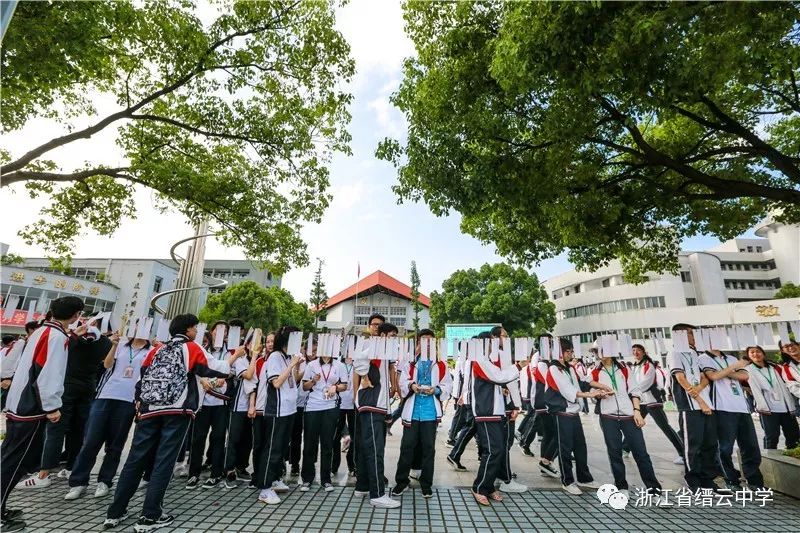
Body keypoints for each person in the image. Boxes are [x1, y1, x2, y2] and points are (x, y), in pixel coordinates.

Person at [104, 314, 244, 532]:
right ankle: (150, 515)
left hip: (149, 410)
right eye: (195, 328)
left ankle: (115, 512)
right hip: (176, 410)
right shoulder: (191, 348)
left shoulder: (157, 349)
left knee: (135, 459)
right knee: (164, 461)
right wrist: (235, 357)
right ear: (188, 329)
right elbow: (216, 368)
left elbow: (143, 376)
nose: (197, 332)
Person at [1, 296, 85, 533]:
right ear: (76, 314)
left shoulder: (42, 332)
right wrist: (52, 406)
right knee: (15, 461)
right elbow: (48, 373)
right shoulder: (56, 337)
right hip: (32, 407)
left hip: (21, 402)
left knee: (13, 458)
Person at [16, 313, 110, 489]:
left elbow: (63, 350)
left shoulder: (73, 339)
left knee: (56, 430)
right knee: (78, 429)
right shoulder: (106, 343)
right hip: (88, 388)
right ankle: (70, 467)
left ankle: (43, 474)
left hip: (66, 387)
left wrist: (75, 334)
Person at [65, 328, 151, 500]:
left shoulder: (150, 350)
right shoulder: (121, 345)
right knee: (90, 441)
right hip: (105, 395)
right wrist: (113, 345)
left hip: (129, 400)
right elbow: (107, 365)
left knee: (115, 444)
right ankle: (78, 482)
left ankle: (105, 480)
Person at [586, 346, 661, 498]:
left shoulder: (624, 368)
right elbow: (592, 394)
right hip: (608, 416)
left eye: (600, 350)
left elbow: (634, 390)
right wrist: (598, 395)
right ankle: (621, 486)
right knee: (614, 453)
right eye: (595, 352)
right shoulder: (594, 371)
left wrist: (637, 412)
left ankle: (654, 489)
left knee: (641, 453)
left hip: (628, 415)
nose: (597, 354)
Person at [392, 329, 451, 498]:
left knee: (428, 449)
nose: (426, 344)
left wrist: (436, 390)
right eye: (423, 340)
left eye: (430, 341)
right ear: (418, 342)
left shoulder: (441, 364)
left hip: (430, 412)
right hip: (412, 410)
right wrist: (411, 386)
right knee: (407, 447)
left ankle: (426, 484)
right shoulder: (409, 362)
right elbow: (402, 381)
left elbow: (447, 385)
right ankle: (401, 481)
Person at [699, 348, 763, 491]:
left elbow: (744, 375)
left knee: (750, 446)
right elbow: (713, 376)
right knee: (725, 448)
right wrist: (734, 369)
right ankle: (731, 480)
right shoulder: (703, 358)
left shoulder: (731, 358)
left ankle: (754, 481)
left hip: (742, 407)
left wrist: (724, 372)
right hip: (722, 407)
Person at [545, 338, 603, 496]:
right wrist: (591, 394)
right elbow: (567, 389)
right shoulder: (554, 369)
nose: (571, 354)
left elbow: (582, 383)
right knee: (564, 448)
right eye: (567, 351)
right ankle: (567, 481)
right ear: (559, 353)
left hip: (573, 412)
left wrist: (602, 386)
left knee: (580, 446)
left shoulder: (570, 368)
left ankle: (584, 478)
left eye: (571, 351)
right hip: (562, 413)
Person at [468, 336, 522, 505]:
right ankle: (479, 487)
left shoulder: (487, 361)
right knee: (493, 451)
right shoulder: (479, 360)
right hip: (486, 412)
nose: (494, 347)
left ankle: (489, 486)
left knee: (498, 450)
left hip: (495, 412)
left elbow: (500, 382)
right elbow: (499, 377)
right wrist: (519, 365)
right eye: (491, 343)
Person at [252, 326, 301, 505]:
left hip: (289, 409)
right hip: (277, 410)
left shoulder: (287, 357)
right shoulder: (274, 357)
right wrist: (292, 364)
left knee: (280, 449)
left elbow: (292, 381)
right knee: (272, 448)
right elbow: (277, 382)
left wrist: (295, 365)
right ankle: (264, 489)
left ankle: (273, 479)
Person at [669, 323, 720, 493]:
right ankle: (694, 479)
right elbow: (681, 379)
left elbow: (706, 377)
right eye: (690, 334)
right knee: (693, 444)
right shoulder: (675, 353)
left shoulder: (696, 353)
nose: (694, 337)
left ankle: (707, 479)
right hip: (690, 406)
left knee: (710, 442)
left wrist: (700, 389)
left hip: (705, 402)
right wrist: (700, 401)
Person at [354, 321, 399, 509]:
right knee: (375, 450)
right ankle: (378, 494)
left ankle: (363, 486)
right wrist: (364, 378)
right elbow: (358, 361)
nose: (394, 340)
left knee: (368, 448)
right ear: (382, 336)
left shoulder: (383, 351)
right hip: (372, 404)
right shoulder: (374, 346)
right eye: (392, 336)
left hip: (376, 405)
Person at [186, 321, 232, 489]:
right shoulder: (202, 348)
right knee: (198, 437)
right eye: (218, 330)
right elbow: (195, 369)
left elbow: (231, 370)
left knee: (219, 437)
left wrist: (225, 377)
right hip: (203, 401)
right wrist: (203, 379)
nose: (221, 333)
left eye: (225, 331)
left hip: (221, 401)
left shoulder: (231, 351)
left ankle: (216, 473)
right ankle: (193, 473)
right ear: (211, 332)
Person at [300, 339, 348, 492]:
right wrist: (313, 380)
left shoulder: (339, 365)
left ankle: (326, 480)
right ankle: (307, 479)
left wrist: (335, 387)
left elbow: (345, 385)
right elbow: (304, 386)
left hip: (331, 407)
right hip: (313, 407)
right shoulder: (311, 365)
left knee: (327, 444)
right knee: (309, 444)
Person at [623, 344, 684, 464]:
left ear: (643, 352)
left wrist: (633, 393)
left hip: (652, 401)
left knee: (665, 427)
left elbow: (646, 383)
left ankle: (683, 454)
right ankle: (624, 448)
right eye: (634, 350)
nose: (635, 353)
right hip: (641, 402)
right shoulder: (635, 367)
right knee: (633, 425)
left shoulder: (648, 365)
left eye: (638, 350)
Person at [221, 323, 260, 489]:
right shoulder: (241, 360)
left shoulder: (260, 360)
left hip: (254, 407)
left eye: (259, 343)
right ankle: (228, 470)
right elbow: (249, 375)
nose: (255, 346)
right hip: (238, 406)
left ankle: (241, 467)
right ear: (247, 344)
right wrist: (254, 358)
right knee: (234, 439)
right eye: (252, 343)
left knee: (248, 439)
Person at [744, 345, 800, 450]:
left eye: (758, 351)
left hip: (786, 407)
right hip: (768, 409)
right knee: (772, 437)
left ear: (763, 353)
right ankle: (770, 463)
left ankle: (794, 459)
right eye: (752, 352)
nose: (756, 354)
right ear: (748, 356)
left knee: (794, 436)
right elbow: (743, 384)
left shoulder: (775, 367)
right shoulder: (747, 370)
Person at [289, 338, 315, 477]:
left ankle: (308, 464)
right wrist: (298, 366)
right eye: (310, 350)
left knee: (310, 438)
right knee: (296, 436)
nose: (313, 353)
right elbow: (296, 379)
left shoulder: (319, 363)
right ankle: (294, 463)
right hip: (298, 404)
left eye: (315, 350)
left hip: (313, 405)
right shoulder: (300, 361)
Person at [332, 346, 356, 480]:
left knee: (354, 435)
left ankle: (352, 465)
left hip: (354, 404)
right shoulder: (337, 364)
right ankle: (333, 466)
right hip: (339, 404)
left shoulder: (358, 363)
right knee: (335, 436)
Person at [778, 339, 800, 404]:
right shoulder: (786, 368)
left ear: (798, 345)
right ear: (782, 350)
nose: (790, 348)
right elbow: (793, 387)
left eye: (792, 344)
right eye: (786, 346)